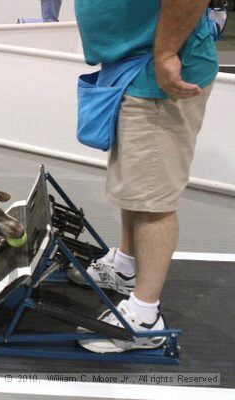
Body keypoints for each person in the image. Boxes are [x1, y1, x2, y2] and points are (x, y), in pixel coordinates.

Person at [69, 0, 218, 353]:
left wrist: (166, 54)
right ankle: (126, 266)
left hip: (159, 67)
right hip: (134, 64)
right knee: (136, 184)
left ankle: (145, 319)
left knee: (152, 198)